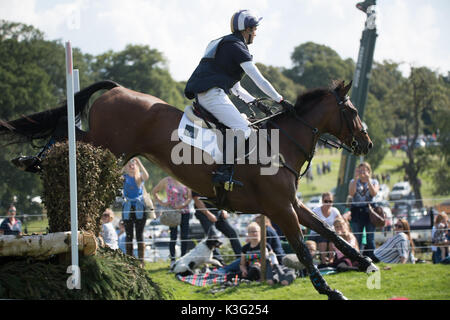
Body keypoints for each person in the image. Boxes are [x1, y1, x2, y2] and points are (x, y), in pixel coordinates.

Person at [184, 9, 295, 186]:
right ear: (248, 29)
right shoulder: (236, 46)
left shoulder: (225, 44)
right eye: (255, 30)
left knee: (244, 126)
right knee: (244, 130)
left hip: (209, 92)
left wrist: (257, 103)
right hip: (212, 94)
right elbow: (258, 78)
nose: (256, 34)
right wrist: (280, 99)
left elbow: (236, 88)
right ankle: (222, 171)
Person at [152, 176, 192, 265]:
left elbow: (189, 197)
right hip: (172, 212)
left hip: (184, 211)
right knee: (173, 236)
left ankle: (183, 258)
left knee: (184, 236)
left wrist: (182, 205)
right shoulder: (166, 180)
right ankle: (173, 260)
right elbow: (154, 191)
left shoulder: (185, 180)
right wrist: (162, 203)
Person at [192, 192, 242, 263]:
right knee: (213, 237)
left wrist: (224, 209)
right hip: (203, 212)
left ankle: (240, 258)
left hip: (218, 211)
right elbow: (197, 200)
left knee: (232, 233)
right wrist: (208, 214)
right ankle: (218, 261)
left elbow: (222, 194)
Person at [348, 162, 379, 260]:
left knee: (370, 238)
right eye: (360, 170)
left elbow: (374, 193)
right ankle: (359, 259)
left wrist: (368, 180)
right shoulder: (353, 181)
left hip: (369, 211)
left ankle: (373, 258)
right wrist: (356, 179)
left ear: (369, 171)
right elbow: (351, 193)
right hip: (357, 211)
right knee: (358, 237)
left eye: (364, 170)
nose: (362, 173)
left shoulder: (374, 181)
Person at [121, 157, 149, 265]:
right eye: (129, 165)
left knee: (139, 234)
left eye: (133, 164)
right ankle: (129, 259)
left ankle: (141, 260)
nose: (131, 166)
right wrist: (125, 163)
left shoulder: (139, 177)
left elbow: (146, 176)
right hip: (128, 207)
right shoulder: (124, 177)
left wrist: (139, 163)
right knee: (129, 234)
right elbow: (116, 176)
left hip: (139, 207)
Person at [308, 192, 342, 264]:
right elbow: (312, 224)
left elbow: (340, 222)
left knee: (332, 238)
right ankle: (323, 262)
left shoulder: (335, 211)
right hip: (316, 234)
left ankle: (331, 261)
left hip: (329, 234)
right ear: (322, 201)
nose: (328, 203)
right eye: (326, 201)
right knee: (323, 238)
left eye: (330, 201)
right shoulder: (316, 210)